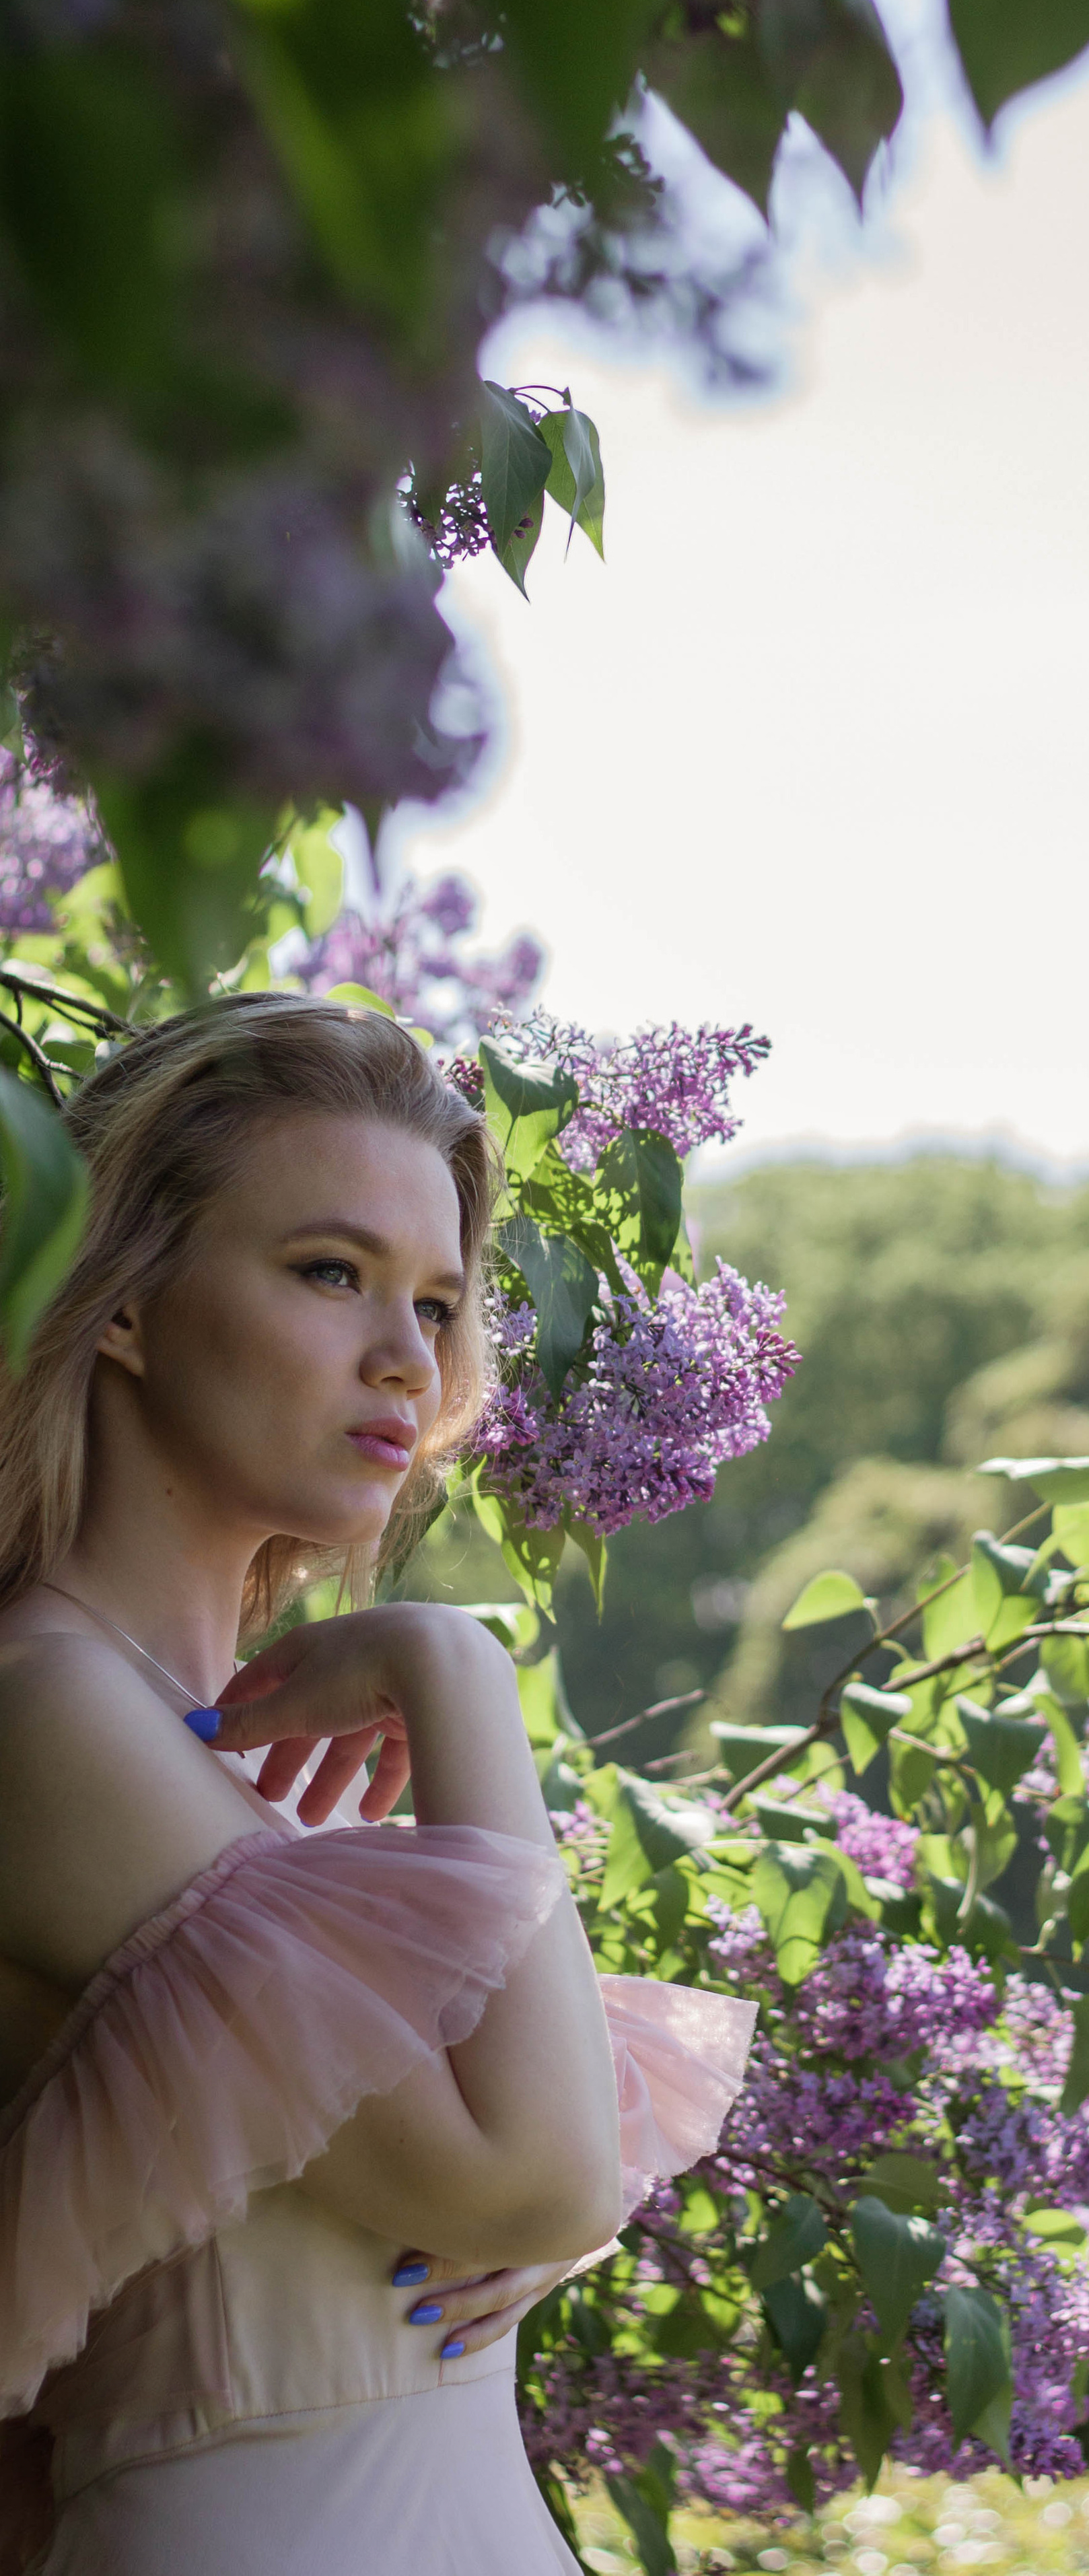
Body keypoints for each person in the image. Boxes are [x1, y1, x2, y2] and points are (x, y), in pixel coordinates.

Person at [0, 995, 754, 2575]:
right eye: (329, 1273)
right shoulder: (49, 1712)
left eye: (436, 1300)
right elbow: (529, 2177)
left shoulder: (263, 1743)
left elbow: (519, 2174)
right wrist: (458, 1671)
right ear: (123, 1300)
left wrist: (525, 2208)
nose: (406, 1361)